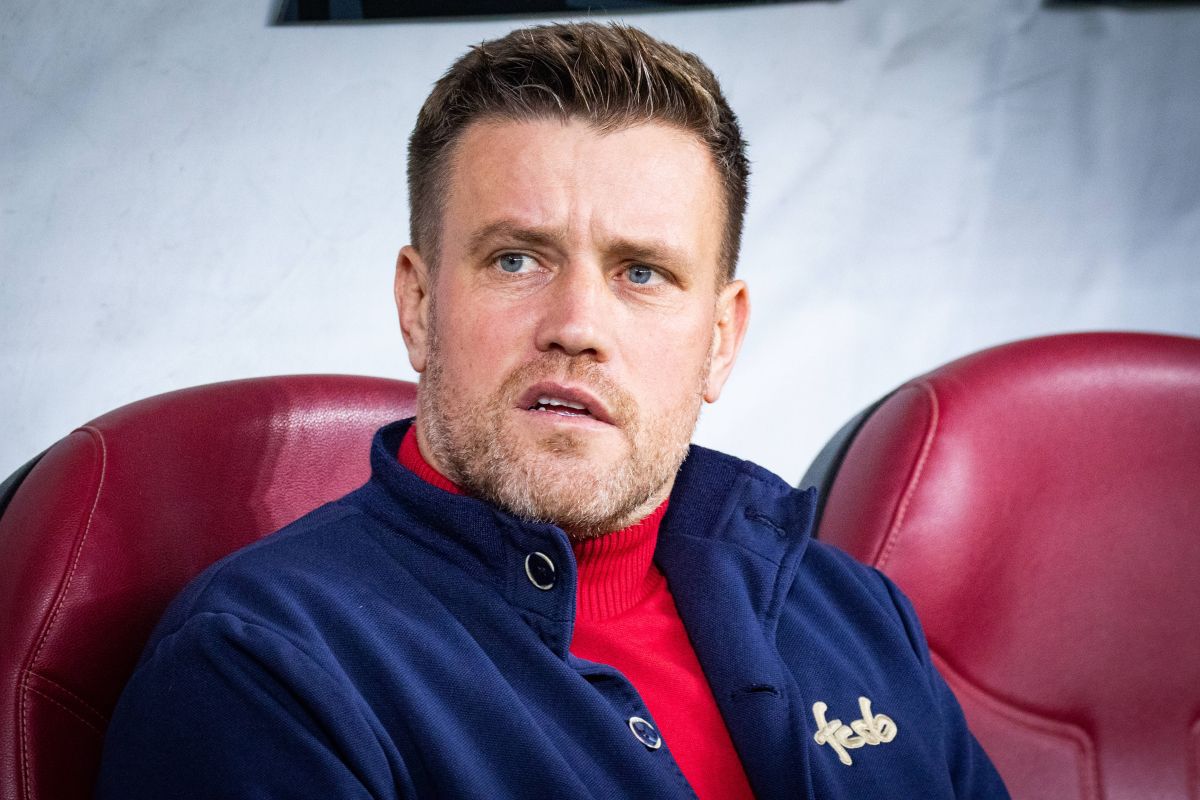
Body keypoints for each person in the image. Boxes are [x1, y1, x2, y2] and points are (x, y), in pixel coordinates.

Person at [96, 22, 1009, 799]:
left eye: (641, 272)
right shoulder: (259, 667)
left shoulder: (855, 613)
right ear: (418, 305)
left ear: (721, 338)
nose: (576, 326)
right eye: (517, 259)